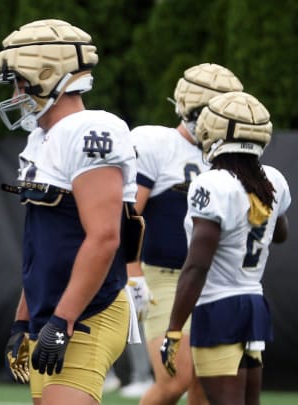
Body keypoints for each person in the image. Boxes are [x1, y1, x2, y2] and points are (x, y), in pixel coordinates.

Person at [0, 19, 142, 405]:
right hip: (54, 312)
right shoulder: (40, 138)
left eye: (19, 82)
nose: (15, 94)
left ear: (47, 76)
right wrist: (23, 319)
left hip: (88, 312)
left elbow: (105, 236)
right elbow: (42, 245)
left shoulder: (90, 129)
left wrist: (63, 320)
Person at [161, 91, 290, 405]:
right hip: (253, 303)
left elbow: (197, 265)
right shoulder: (272, 179)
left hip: (219, 307)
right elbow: (280, 234)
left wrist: (174, 328)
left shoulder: (213, 182)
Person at [130, 63, 244, 405]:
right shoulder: (155, 142)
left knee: (207, 383)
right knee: (176, 378)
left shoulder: (231, 155)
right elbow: (129, 214)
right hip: (164, 277)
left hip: (214, 279)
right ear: (185, 107)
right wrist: (132, 274)